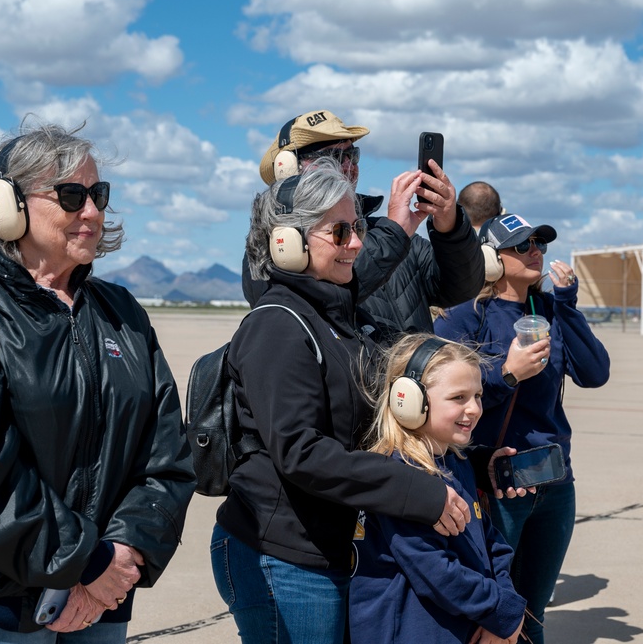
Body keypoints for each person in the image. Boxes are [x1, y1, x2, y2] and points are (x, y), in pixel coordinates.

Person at [0, 121, 196, 643]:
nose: (93, 212)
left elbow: (165, 455)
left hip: (102, 602)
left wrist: (123, 556)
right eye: (72, 195)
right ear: (4, 205)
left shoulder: (122, 312)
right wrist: (87, 560)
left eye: (98, 194)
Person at [211, 161, 474, 644]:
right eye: (339, 231)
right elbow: (301, 452)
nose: (356, 242)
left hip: (327, 546)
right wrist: (416, 493)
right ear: (287, 242)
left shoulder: (338, 318)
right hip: (283, 555)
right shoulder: (278, 325)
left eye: (357, 227)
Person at [434, 214, 610, 644]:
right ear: (490, 259)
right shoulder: (463, 318)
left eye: (540, 244)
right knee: (493, 610)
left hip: (553, 482)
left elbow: (595, 372)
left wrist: (567, 304)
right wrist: (507, 375)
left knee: (533, 610)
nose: (536, 252)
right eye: (523, 245)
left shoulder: (548, 310)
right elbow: (445, 401)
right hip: (496, 485)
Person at [350, 334, 526, 644]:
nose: (474, 409)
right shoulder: (399, 476)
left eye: (478, 396)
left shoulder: (456, 462)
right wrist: (499, 610)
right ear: (409, 400)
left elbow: (490, 543)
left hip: (461, 624)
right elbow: (435, 571)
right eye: (458, 397)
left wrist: (502, 606)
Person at [244, 109, 483, 338]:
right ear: (287, 169)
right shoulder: (275, 245)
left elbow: (462, 287)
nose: (348, 166)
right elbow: (309, 302)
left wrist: (449, 227)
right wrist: (395, 233)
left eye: (352, 155)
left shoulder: (387, 233)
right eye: (334, 157)